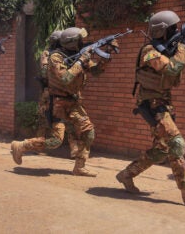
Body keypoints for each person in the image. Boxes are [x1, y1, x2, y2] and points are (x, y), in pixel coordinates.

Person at [116, 8, 185, 206]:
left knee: (161, 149)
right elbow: (172, 68)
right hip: (151, 104)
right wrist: (184, 46)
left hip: (164, 103)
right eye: (173, 28)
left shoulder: (175, 47)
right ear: (162, 31)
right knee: (176, 143)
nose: (177, 30)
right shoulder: (148, 51)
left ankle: (126, 174)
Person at [11, 27, 118, 176]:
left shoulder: (76, 55)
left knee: (89, 132)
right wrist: (80, 61)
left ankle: (79, 166)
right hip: (57, 103)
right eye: (79, 40)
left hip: (73, 102)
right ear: (72, 42)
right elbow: (65, 78)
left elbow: (96, 72)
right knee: (56, 140)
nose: (82, 42)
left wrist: (107, 55)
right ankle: (22, 146)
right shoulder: (56, 57)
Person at [36, 30, 79, 159]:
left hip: (66, 91)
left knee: (71, 120)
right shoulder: (48, 54)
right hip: (50, 92)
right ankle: (38, 143)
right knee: (44, 119)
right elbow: (44, 74)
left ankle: (74, 148)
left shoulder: (66, 54)